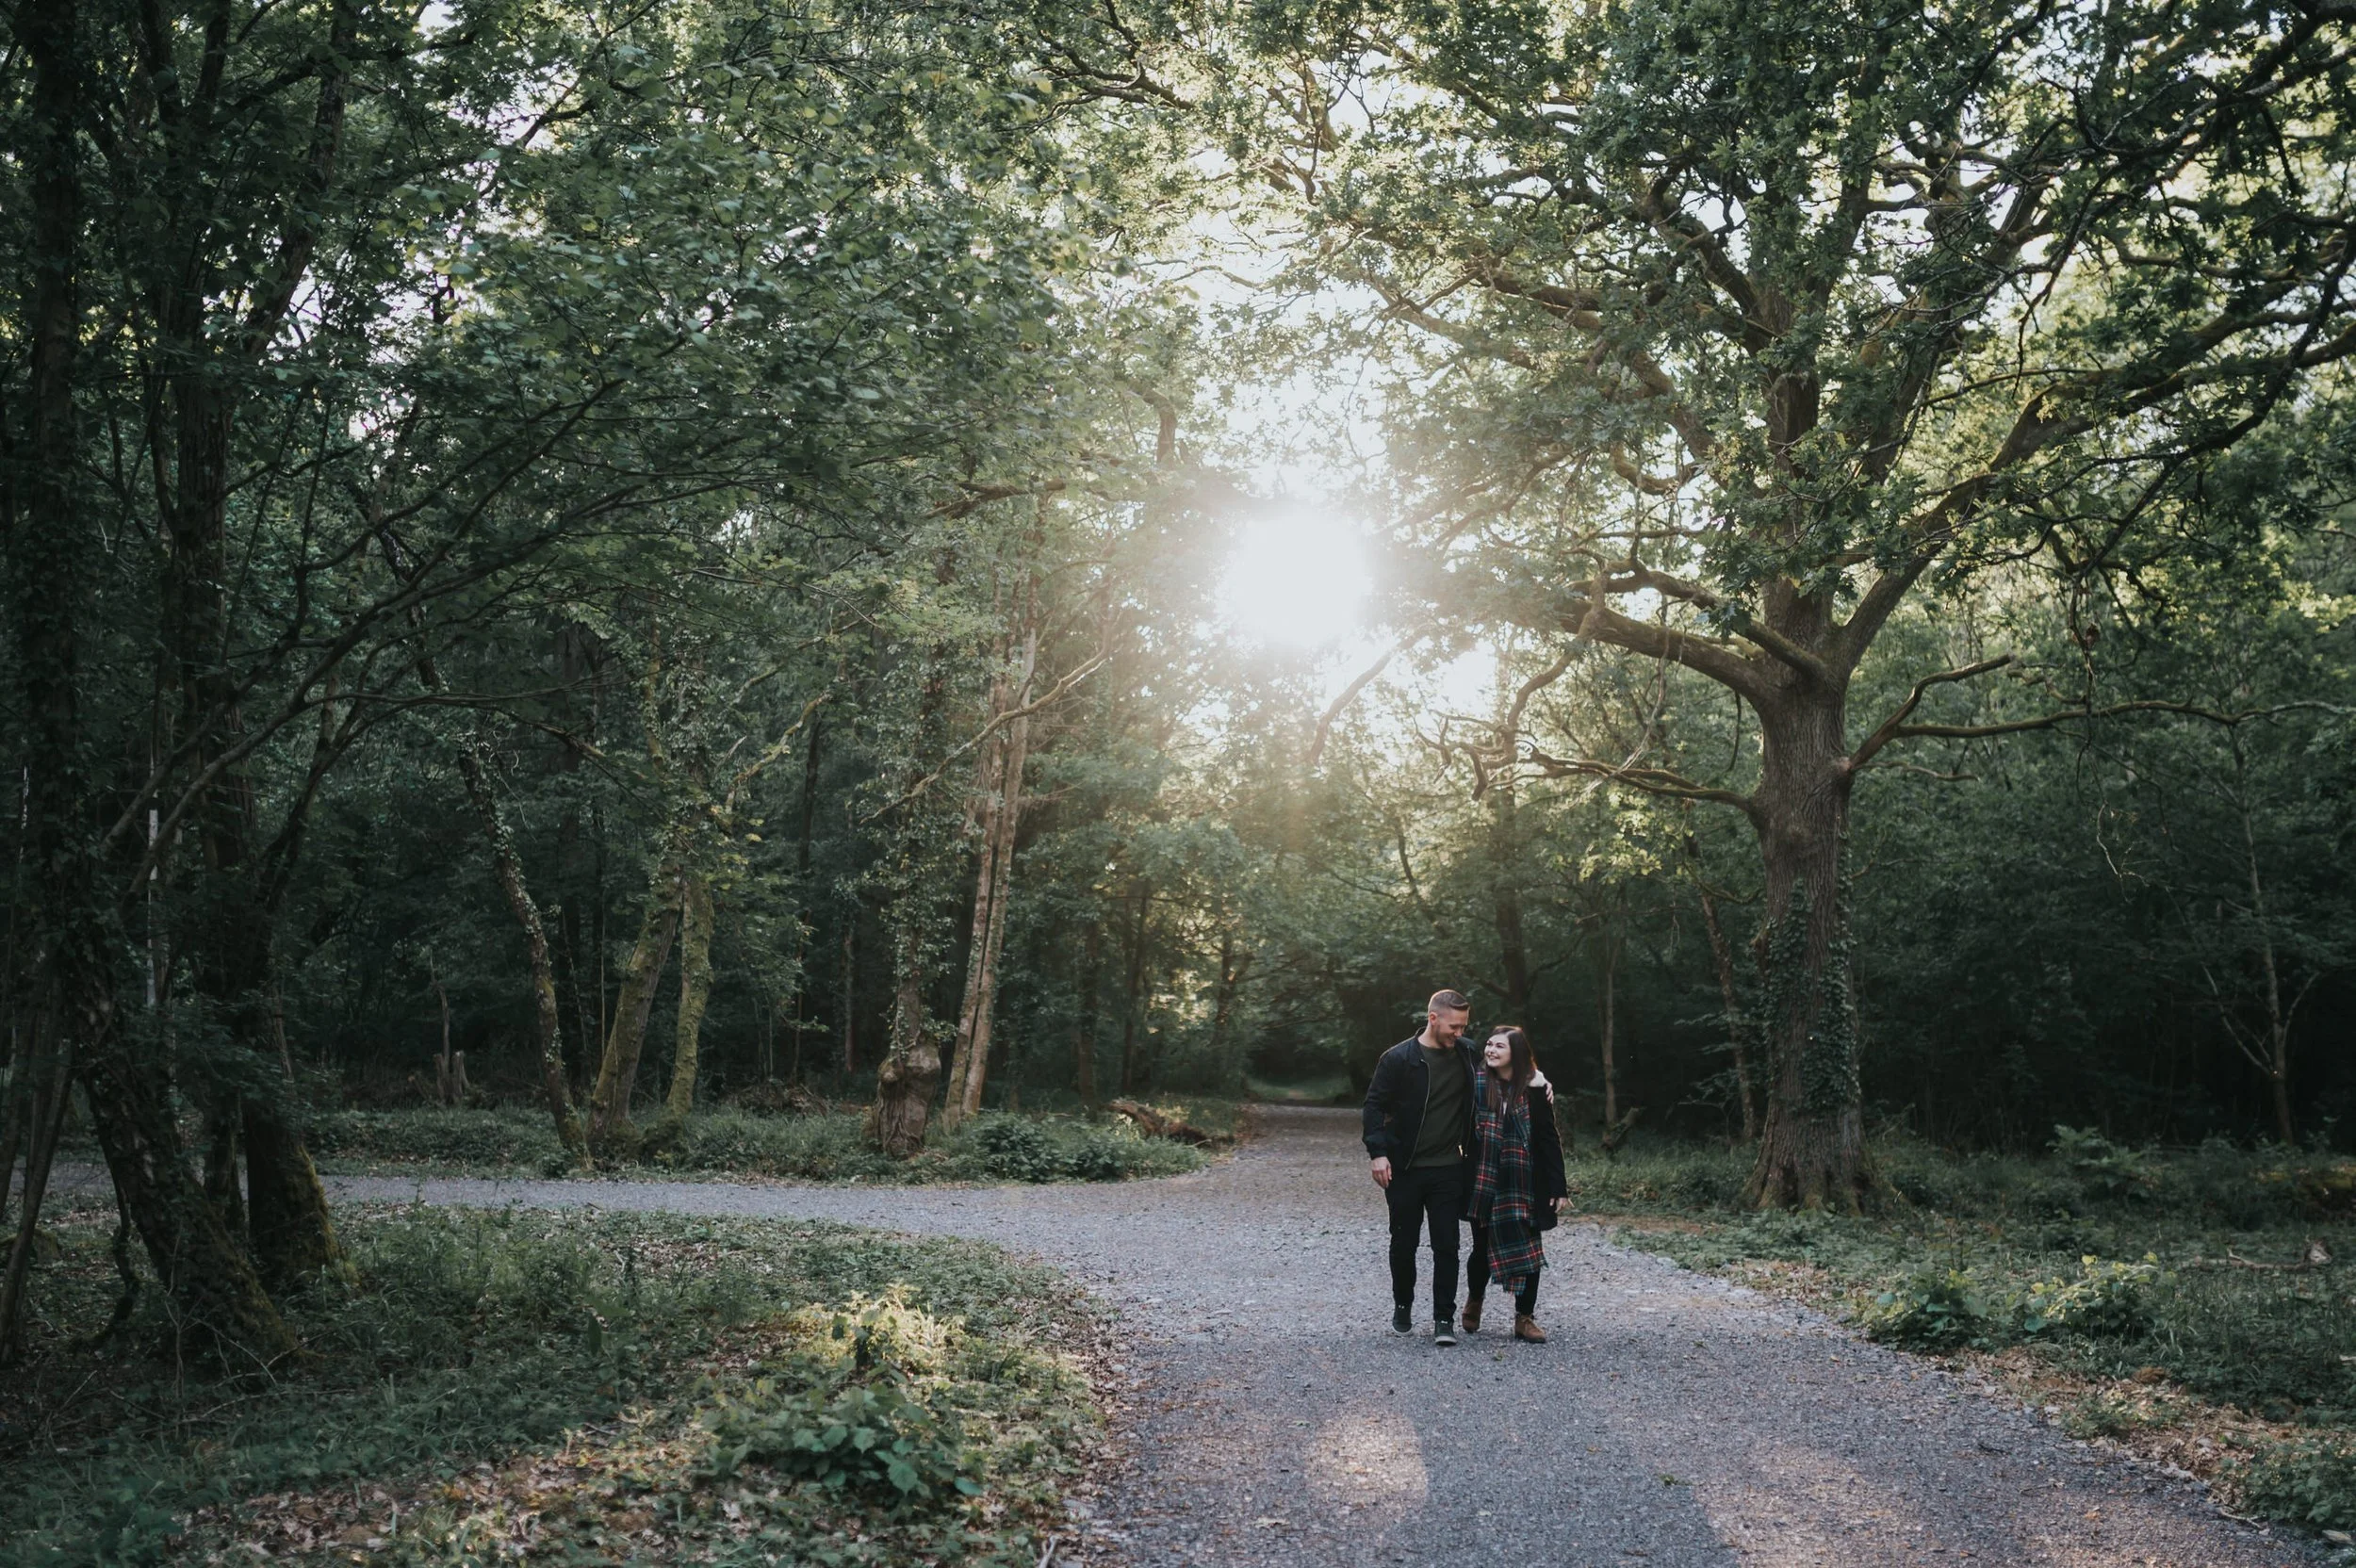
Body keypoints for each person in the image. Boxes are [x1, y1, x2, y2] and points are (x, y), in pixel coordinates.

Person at [1362, 988, 1479, 1343]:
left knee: (1448, 1244)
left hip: (1448, 1167)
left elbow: (1508, 1069)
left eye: (1464, 1026)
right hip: (1405, 1168)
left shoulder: (1468, 1053)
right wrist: (1378, 1153)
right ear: (1433, 1018)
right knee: (1404, 1242)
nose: (1459, 1033)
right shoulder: (1399, 1059)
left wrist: (1539, 1082)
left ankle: (1444, 1318)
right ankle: (1403, 1305)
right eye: (1454, 1026)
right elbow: (1373, 1106)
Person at [1462, 1024, 1566, 1344]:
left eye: (1499, 1047)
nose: (1491, 1050)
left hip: (1524, 1181)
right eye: (1489, 1045)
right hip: (1484, 1179)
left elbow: (1548, 1139)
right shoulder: (1474, 1083)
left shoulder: (1534, 1089)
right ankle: (1475, 1300)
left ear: (1515, 1054)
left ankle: (1524, 1318)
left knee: (1530, 1250)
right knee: (1481, 1248)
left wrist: (1558, 1186)